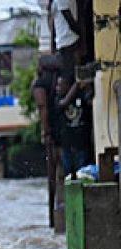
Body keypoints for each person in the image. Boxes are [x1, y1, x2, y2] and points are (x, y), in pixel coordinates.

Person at [32, 55, 62, 228]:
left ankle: (55, 216)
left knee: (54, 172)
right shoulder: (61, 78)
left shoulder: (41, 84)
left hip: (54, 132)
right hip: (67, 129)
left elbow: (42, 107)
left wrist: (46, 131)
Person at [55, 76, 92, 181]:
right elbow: (63, 103)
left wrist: (87, 88)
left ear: (67, 86)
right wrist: (76, 85)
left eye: (60, 85)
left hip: (82, 143)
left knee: (83, 174)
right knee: (68, 176)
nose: (57, 88)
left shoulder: (81, 97)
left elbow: (90, 103)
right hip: (67, 144)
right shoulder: (58, 99)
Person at [49, 0, 81, 80]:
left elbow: (69, 19)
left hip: (69, 42)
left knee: (68, 78)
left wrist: (79, 34)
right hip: (63, 43)